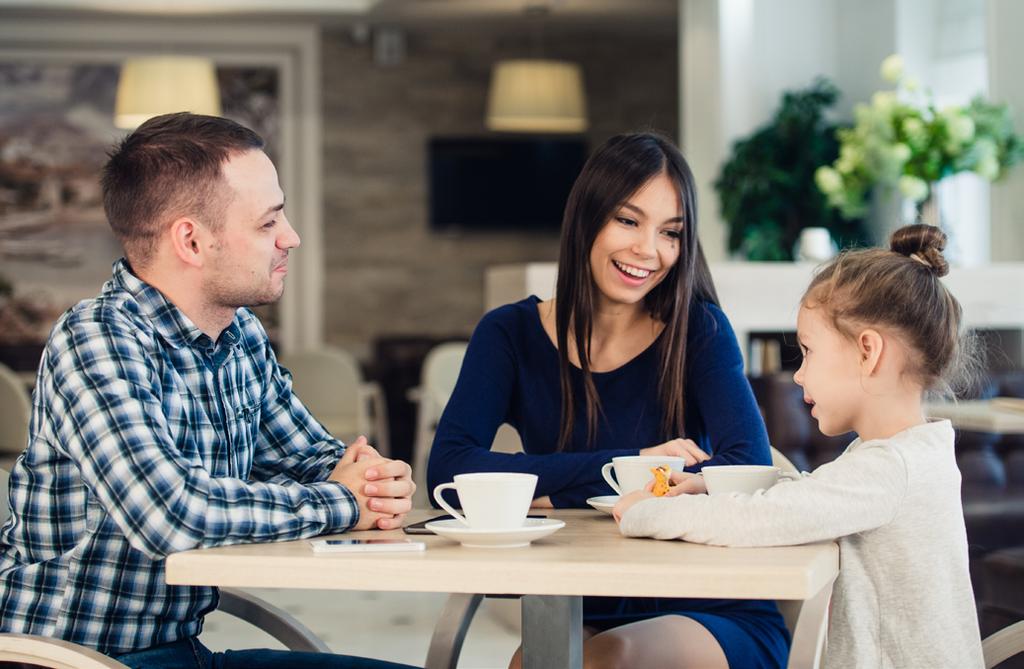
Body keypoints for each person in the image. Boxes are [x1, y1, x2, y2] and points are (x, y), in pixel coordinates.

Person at [0, 112, 417, 669]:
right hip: (65, 658)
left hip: (177, 654)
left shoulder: (238, 332)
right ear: (192, 241)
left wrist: (374, 480)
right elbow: (170, 515)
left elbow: (309, 458)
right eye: (268, 223)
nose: (290, 237)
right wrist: (343, 501)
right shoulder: (95, 339)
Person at [428, 132, 789, 669]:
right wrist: (632, 470)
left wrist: (548, 491)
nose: (649, 250)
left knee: (605, 662)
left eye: (671, 232)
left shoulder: (699, 331)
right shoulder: (508, 334)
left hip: (709, 605)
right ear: (586, 218)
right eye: (628, 220)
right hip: (578, 599)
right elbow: (450, 472)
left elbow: (747, 468)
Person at [615, 224, 986, 668]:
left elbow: (765, 519)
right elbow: (810, 496)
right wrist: (713, 487)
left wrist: (644, 512)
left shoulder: (890, 469)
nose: (798, 374)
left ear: (868, 351)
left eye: (808, 352)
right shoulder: (903, 458)